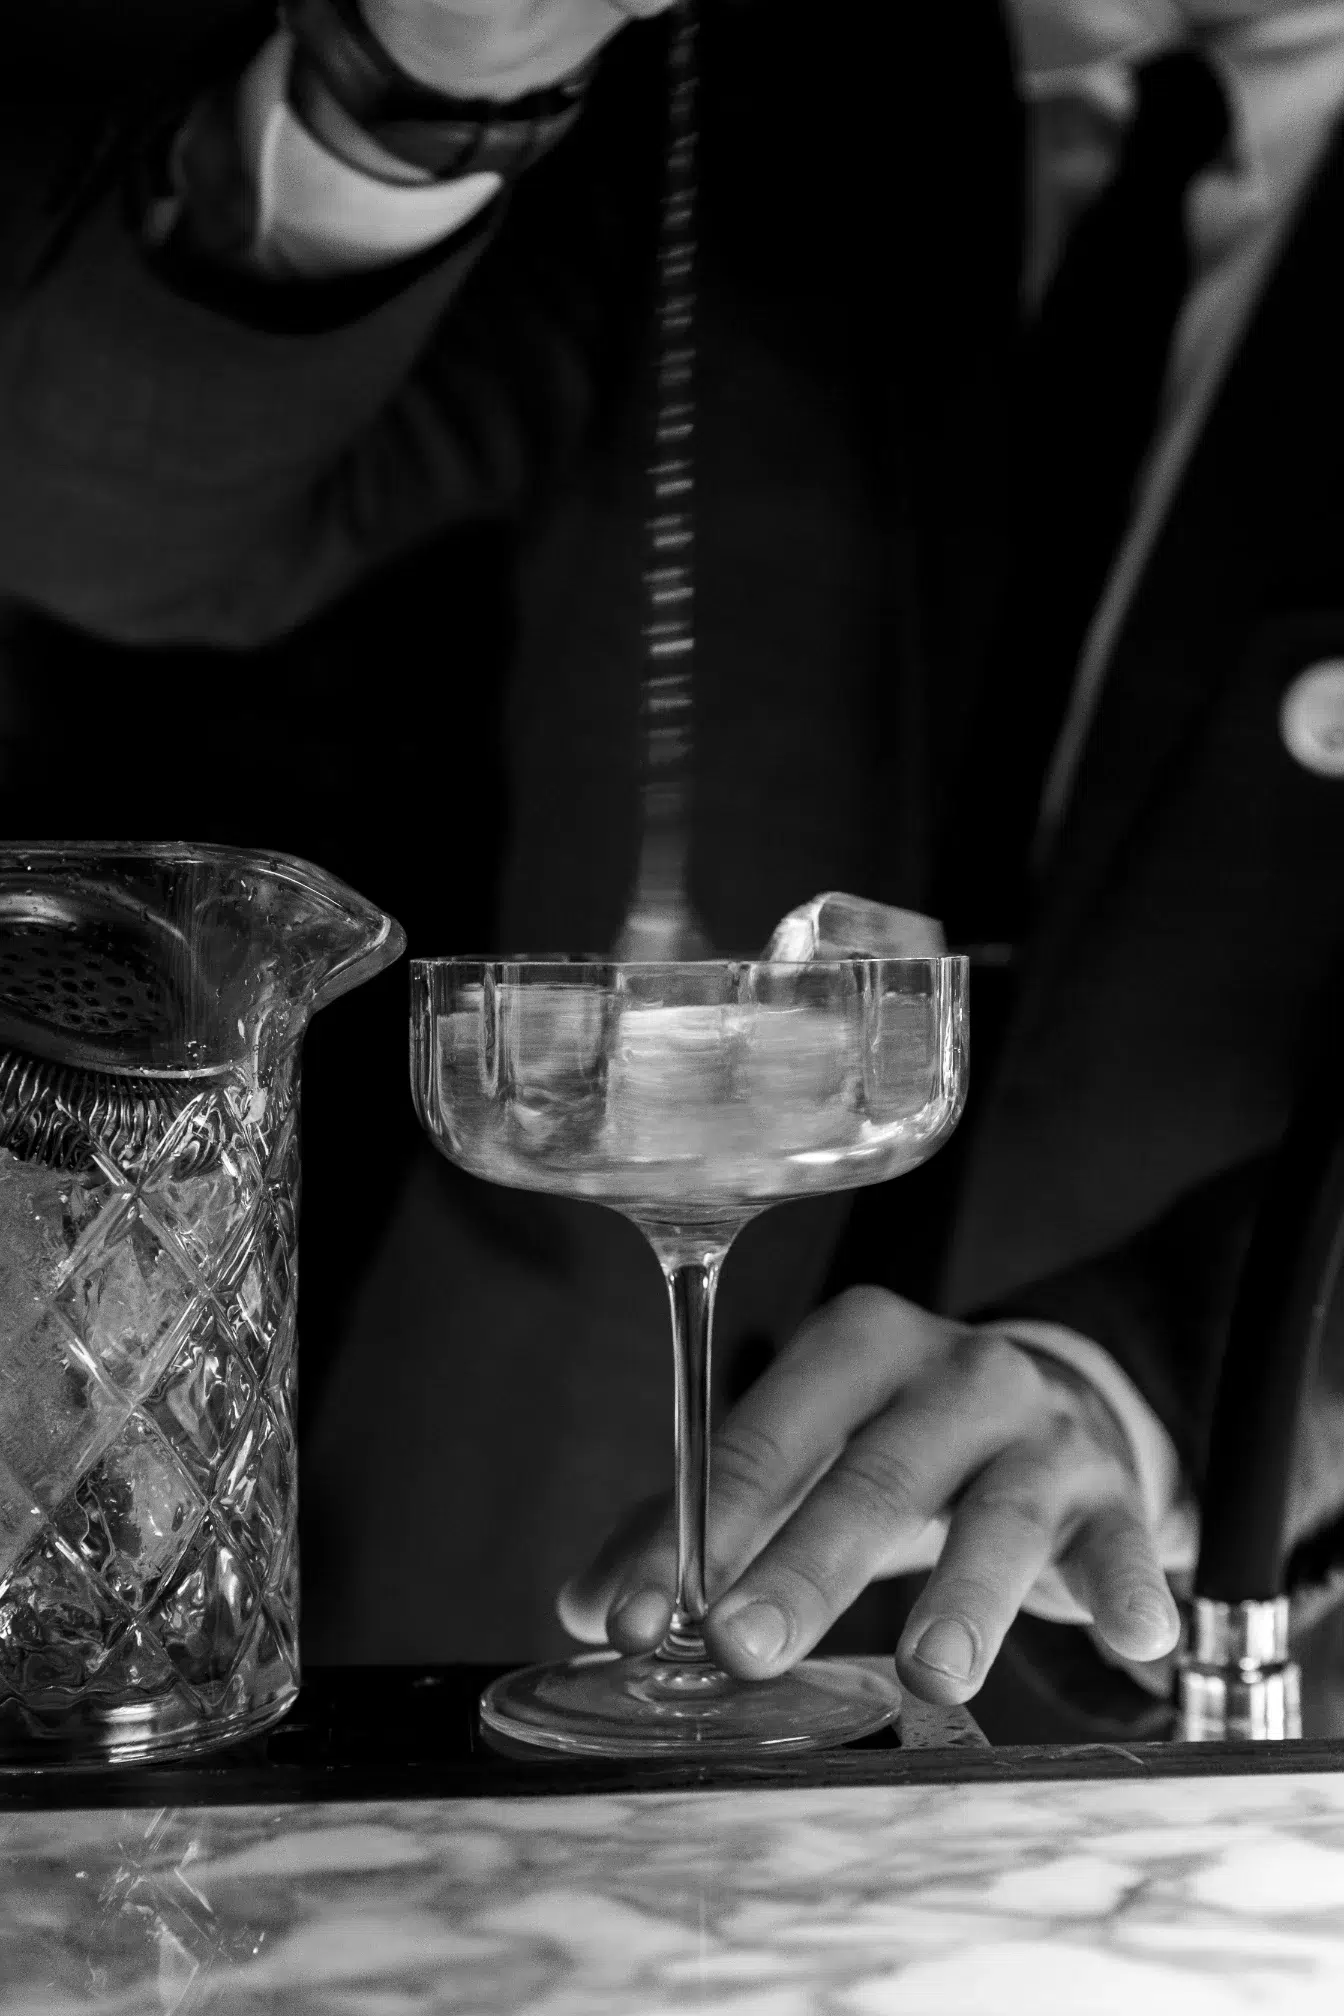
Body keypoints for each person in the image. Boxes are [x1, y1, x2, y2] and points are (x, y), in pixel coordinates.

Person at [4, 0, 1343, 1719]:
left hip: (1166, 1661)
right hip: (507, 1549)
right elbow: (99, 529)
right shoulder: (722, 76)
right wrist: (414, 81)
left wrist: (1151, 1375)